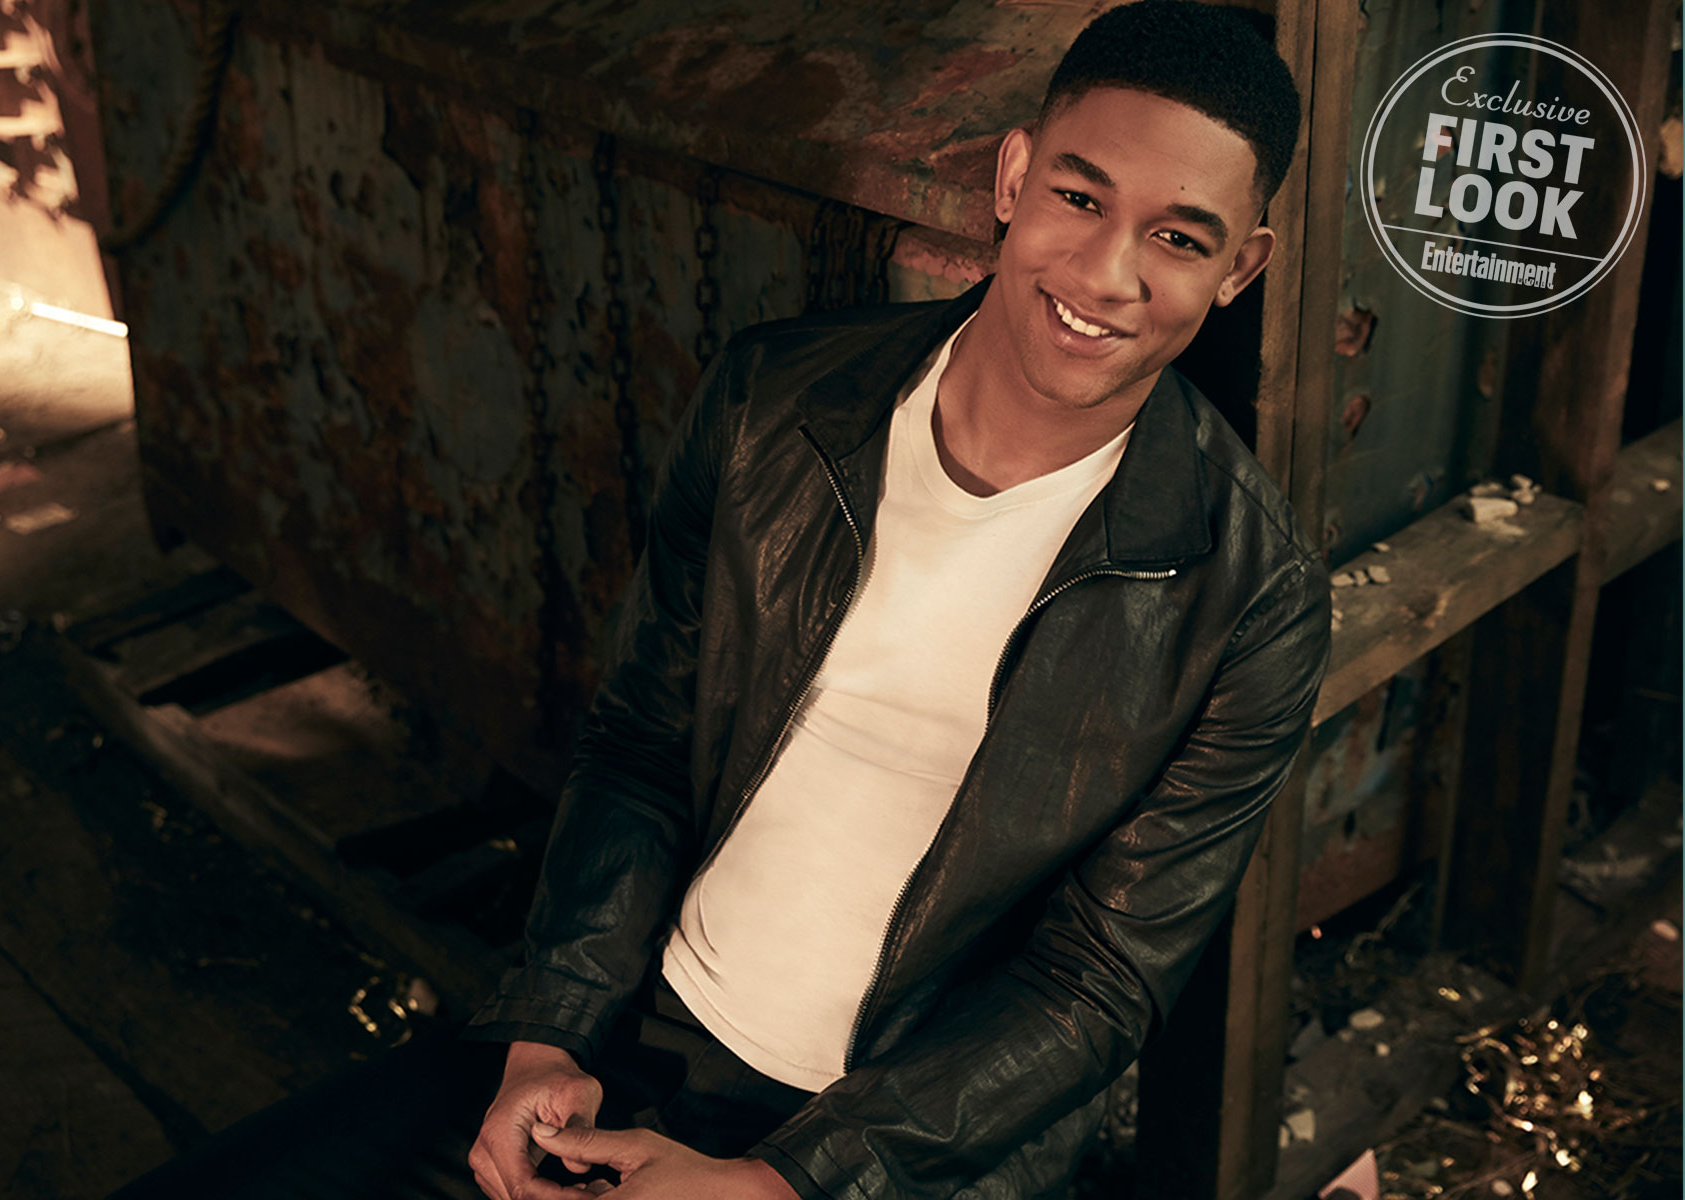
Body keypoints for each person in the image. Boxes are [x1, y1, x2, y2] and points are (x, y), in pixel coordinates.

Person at [111, 4, 1326, 1199]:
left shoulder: (1252, 597)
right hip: (633, 1040)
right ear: (1012, 178)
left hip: (890, 1155)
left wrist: (780, 1182)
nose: (1107, 274)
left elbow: (1097, 982)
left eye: (1178, 238)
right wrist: (553, 1034)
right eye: (1079, 196)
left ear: (1239, 269)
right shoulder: (775, 401)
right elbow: (640, 744)